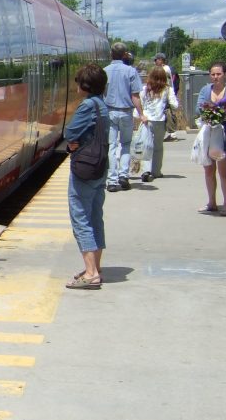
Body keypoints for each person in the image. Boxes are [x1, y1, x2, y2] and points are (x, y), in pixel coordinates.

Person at [65, 63, 109, 290]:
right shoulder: (102, 105)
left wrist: (74, 142)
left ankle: (91, 273)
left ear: (84, 85)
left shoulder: (87, 106)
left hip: (84, 168)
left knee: (80, 219)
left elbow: (70, 133)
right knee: (95, 217)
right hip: (101, 166)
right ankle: (96, 267)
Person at [195, 61, 226, 214]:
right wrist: (209, 110)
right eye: (213, 74)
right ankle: (211, 202)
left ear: (225, 75)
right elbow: (199, 108)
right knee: (208, 169)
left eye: (219, 74)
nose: (215, 77)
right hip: (209, 130)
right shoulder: (205, 90)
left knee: (223, 170)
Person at [103, 42, 145, 192]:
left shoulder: (105, 71)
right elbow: (135, 96)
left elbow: (102, 94)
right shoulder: (131, 71)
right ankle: (123, 175)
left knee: (112, 145)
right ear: (125, 55)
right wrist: (141, 114)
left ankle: (112, 181)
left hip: (109, 112)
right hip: (126, 112)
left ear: (111, 54)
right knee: (126, 144)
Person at [140, 66, 178, 182]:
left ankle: (146, 170)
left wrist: (141, 116)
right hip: (160, 121)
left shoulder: (145, 89)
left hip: (146, 120)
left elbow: (140, 104)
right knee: (158, 147)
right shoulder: (167, 89)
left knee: (146, 146)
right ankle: (156, 171)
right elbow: (175, 105)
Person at [154, 53, 177, 140]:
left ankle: (172, 134)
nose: (155, 62)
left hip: (166, 93)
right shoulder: (163, 68)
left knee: (168, 113)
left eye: (156, 60)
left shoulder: (165, 68)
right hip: (164, 92)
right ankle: (169, 133)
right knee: (165, 113)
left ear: (161, 60)